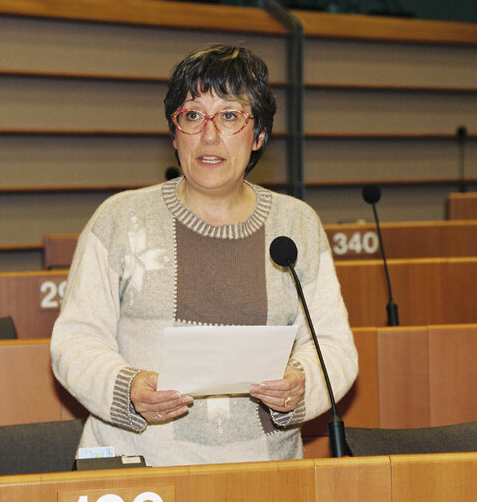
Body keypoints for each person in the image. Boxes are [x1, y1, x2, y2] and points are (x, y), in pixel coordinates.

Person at [50, 43, 358, 466]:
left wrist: (300, 383)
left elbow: (333, 346)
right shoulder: (120, 218)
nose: (209, 135)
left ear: (260, 135)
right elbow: (75, 341)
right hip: (140, 465)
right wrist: (128, 388)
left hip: (264, 470)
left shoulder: (296, 224)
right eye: (193, 115)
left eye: (230, 116)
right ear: (175, 133)